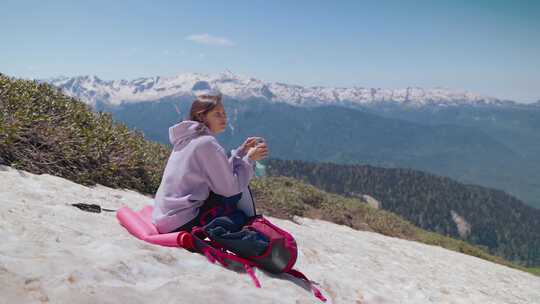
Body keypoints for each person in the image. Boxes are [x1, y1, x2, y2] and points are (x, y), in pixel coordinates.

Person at [152, 91, 268, 234]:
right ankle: (253, 225)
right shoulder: (207, 143)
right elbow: (229, 188)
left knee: (235, 184)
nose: (224, 117)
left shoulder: (187, 137)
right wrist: (249, 160)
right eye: (217, 114)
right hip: (181, 221)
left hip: (163, 216)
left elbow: (218, 172)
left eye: (224, 113)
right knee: (239, 205)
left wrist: (241, 152)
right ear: (201, 116)